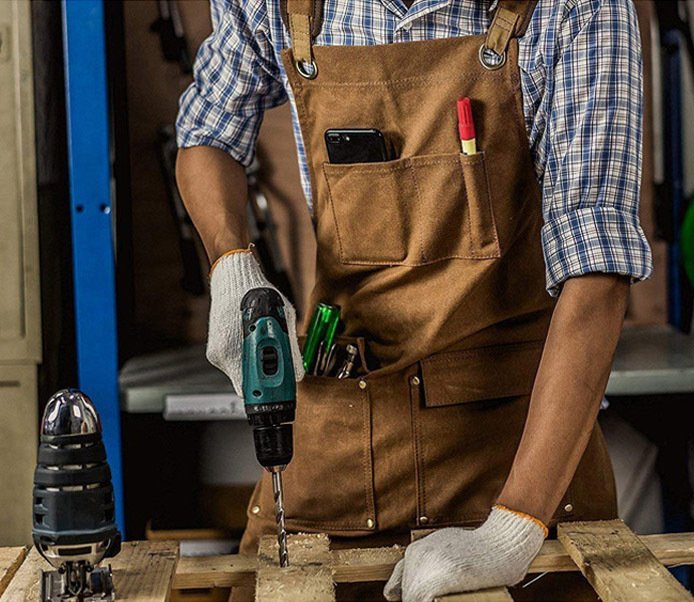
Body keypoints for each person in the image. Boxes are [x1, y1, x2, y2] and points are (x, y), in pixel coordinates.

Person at [175, 1, 653, 600]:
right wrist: (231, 264)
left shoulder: (577, 7)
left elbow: (597, 276)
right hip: (342, 439)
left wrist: (513, 529)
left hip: (517, 453)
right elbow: (206, 136)